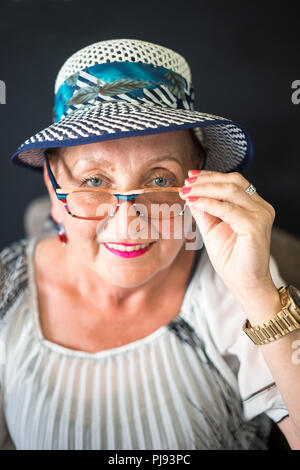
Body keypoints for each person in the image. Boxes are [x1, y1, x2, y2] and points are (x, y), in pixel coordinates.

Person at [1, 38, 300, 451]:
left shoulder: (225, 285)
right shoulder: (5, 292)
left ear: (198, 180)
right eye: (94, 181)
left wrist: (256, 291)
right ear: (54, 192)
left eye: (160, 179)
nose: (129, 221)